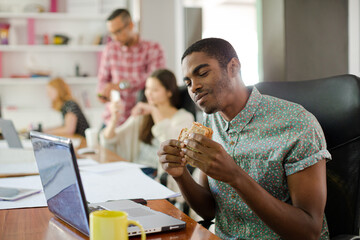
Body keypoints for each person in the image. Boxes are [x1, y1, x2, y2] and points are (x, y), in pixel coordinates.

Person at [157, 38, 331, 239]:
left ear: (233, 67)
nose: (193, 87)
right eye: (187, 82)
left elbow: (309, 231)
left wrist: (235, 176)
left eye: (202, 73)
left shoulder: (297, 124)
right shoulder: (210, 121)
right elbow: (209, 210)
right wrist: (181, 175)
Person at [100, 69, 194, 177]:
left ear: (169, 92)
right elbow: (109, 141)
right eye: (147, 88)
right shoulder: (144, 115)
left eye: (154, 90)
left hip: (156, 175)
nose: (148, 93)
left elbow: (171, 147)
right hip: (136, 170)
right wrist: (114, 118)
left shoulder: (184, 117)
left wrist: (154, 110)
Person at [97, 8, 166, 128]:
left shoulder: (153, 48)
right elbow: (103, 80)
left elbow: (155, 79)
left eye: (118, 31)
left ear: (130, 25)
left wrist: (123, 85)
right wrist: (102, 93)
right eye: (111, 33)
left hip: (141, 119)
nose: (115, 38)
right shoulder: (110, 49)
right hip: (113, 119)